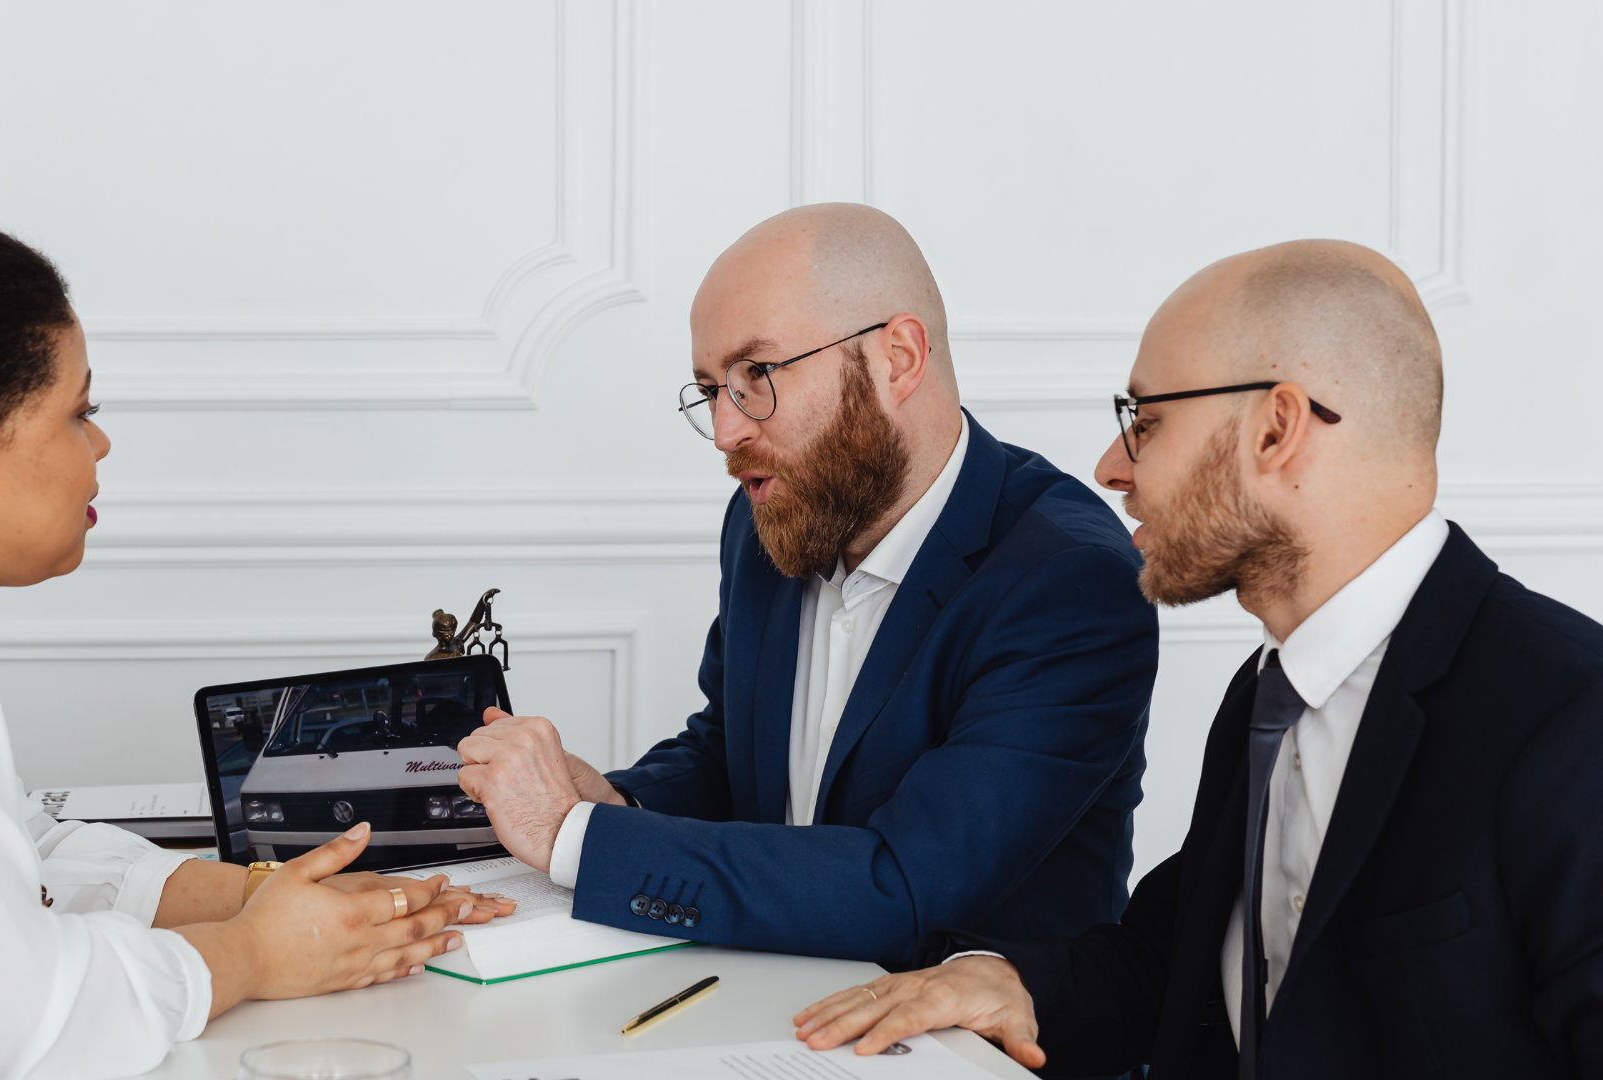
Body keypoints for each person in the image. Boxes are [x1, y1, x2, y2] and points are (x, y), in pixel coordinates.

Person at [0, 209, 513, 1080]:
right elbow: (29, 1025)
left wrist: (267, 895)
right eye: (79, 412)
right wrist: (253, 957)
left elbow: (10, 846)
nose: (102, 443)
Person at [794, 240, 1603, 1077]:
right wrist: (1009, 984)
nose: (1111, 468)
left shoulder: (1570, 723)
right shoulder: (1265, 697)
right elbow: (1180, 963)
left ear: (1277, 429)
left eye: (1145, 423)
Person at [456, 203, 1159, 969]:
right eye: (711, 390)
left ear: (898, 358)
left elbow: (907, 889)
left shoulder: (1070, 583)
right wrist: (619, 804)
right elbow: (731, 752)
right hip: (772, 1001)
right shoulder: (771, 510)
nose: (726, 432)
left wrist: (575, 837)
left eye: (756, 375)